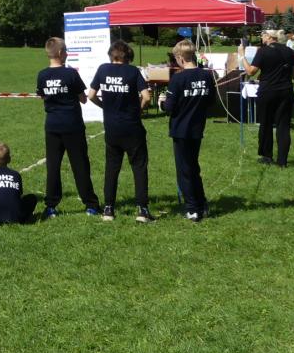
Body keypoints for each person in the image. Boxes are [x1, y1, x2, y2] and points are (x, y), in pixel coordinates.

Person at [88, 39, 153, 223]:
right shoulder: (133, 71)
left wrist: (105, 107)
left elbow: (91, 95)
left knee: (112, 168)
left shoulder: (103, 69)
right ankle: (142, 210)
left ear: (112, 55)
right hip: (132, 127)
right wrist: (138, 110)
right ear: (128, 56)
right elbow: (147, 97)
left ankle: (108, 209)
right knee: (139, 167)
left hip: (112, 128)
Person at [39, 37, 100, 218]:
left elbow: (43, 96)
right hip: (72, 125)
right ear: (60, 53)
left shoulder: (42, 75)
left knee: (53, 166)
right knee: (80, 165)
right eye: (65, 51)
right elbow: (83, 99)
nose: (66, 54)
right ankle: (90, 204)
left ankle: (51, 206)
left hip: (52, 126)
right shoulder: (71, 74)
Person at [162, 40, 212, 221]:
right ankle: (202, 204)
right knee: (192, 167)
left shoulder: (178, 78)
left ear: (180, 57)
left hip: (181, 129)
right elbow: (211, 101)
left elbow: (169, 107)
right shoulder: (206, 75)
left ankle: (192, 208)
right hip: (197, 127)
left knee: (184, 170)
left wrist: (161, 102)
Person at [241, 30, 294, 167]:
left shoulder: (263, 51)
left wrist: (242, 56)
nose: (261, 38)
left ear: (269, 36)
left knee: (266, 124)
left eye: (262, 35)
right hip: (285, 90)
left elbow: (251, 71)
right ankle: (282, 161)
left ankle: (267, 156)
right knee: (283, 127)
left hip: (267, 91)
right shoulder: (289, 51)